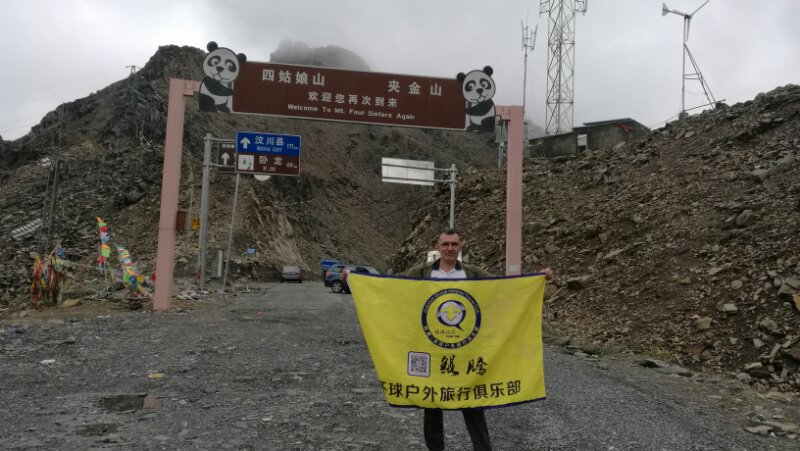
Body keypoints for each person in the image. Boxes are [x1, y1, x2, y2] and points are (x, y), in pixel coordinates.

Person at [401, 228, 493, 451]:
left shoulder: (474, 274)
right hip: (432, 349)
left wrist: (538, 278)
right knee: (431, 404)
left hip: (465, 350)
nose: (450, 248)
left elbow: (507, 287)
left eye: (454, 244)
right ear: (437, 247)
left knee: (472, 403)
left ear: (460, 247)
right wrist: (354, 279)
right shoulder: (420, 273)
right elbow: (387, 286)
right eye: (445, 244)